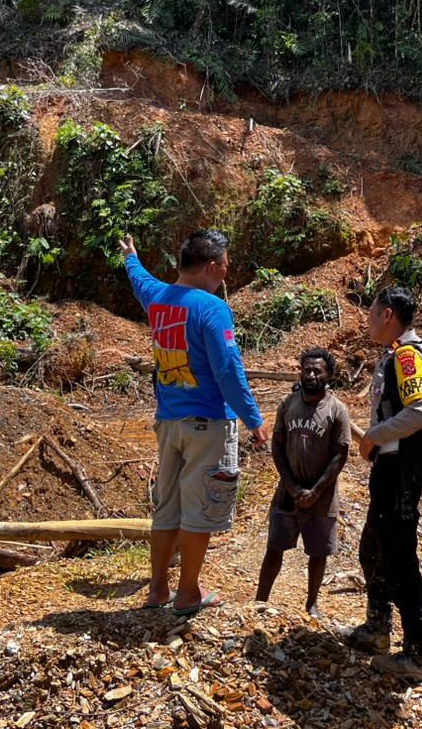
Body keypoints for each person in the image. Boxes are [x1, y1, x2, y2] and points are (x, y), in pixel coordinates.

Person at [121, 229, 269, 617]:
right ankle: (187, 593)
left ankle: (157, 589)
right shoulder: (212, 308)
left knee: (166, 507)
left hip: (168, 424)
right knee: (199, 510)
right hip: (207, 425)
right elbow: (227, 369)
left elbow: (140, 278)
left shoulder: (158, 297)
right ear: (211, 266)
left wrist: (131, 256)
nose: (226, 274)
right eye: (225, 266)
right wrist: (253, 419)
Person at [342, 285, 422, 681]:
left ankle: (417, 652)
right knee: (373, 549)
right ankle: (377, 629)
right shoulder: (398, 354)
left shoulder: (409, 356)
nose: (367, 319)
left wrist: (373, 437)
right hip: (391, 468)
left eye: (371, 311)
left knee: (398, 558)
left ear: (388, 314)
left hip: (399, 469)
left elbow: (420, 412)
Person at [255, 347, 351, 618]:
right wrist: (291, 485)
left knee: (318, 552)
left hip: (322, 496)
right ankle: (260, 599)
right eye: (307, 369)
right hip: (288, 492)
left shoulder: (337, 410)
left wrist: (316, 490)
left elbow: (340, 455)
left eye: (317, 371)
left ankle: (311, 602)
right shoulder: (287, 403)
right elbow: (277, 445)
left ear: (328, 375)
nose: (311, 375)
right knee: (274, 547)